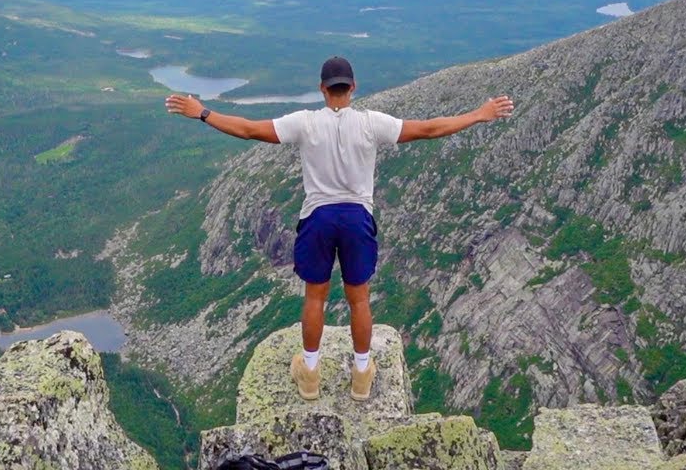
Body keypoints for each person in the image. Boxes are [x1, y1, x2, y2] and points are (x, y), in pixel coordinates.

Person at [165, 56, 514, 402]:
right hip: (357, 217)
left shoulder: (304, 123)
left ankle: (310, 374)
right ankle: (361, 376)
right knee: (358, 298)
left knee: (315, 296)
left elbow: (248, 130)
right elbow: (429, 129)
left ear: (322, 89)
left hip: (318, 217)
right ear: (353, 87)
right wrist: (478, 114)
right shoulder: (371, 123)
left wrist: (203, 112)